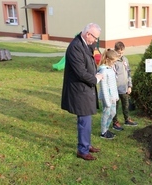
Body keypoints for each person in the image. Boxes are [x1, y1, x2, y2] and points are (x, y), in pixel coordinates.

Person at [61, 23, 103, 161]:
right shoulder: (75, 47)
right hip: (79, 89)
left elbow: (91, 51)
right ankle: (82, 150)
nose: (96, 41)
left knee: (87, 119)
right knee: (84, 120)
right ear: (87, 34)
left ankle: (87, 144)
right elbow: (80, 73)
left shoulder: (84, 43)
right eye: (95, 38)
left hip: (85, 89)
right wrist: (95, 79)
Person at [112, 41, 137, 131]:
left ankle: (127, 119)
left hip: (125, 88)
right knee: (114, 106)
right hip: (115, 89)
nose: (120, 54)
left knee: (125, 105)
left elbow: (129, 72)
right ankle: (115, 122)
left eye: (122, 52)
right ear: (115, 51)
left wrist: (129, 85)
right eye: (119, 52)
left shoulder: (125, 60)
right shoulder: (113, 61)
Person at [98, 49, 119, 139]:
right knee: (106, 114)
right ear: (108, 59)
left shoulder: (110, 69)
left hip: (113, 97)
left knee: (113, 113)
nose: (114, 63)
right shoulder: (103, 71)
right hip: (107, 98)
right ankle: (103, 132)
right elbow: (104, 87)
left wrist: (116, 96)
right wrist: (107, 101)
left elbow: (114, 84)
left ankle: (106, 128)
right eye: (113, 61)